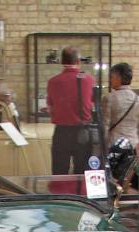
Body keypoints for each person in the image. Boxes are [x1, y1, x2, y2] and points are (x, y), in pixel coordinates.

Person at [46, 47, 97, 175]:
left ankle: (61, 194)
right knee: (81, 171)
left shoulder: (53, 82)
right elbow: (92, 104)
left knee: (59, 170)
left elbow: (50, 106)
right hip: (82, 131)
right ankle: (79, 194)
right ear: (78, 61)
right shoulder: (89, 80)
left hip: (61, 131)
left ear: (62, 61)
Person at [103, 62, 139, 152]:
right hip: (133, 144)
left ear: (118, 77)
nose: (110, 80)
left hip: (114, 145)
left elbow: (105, 125)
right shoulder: (138, 99)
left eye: (112, 77)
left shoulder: (109, 98)